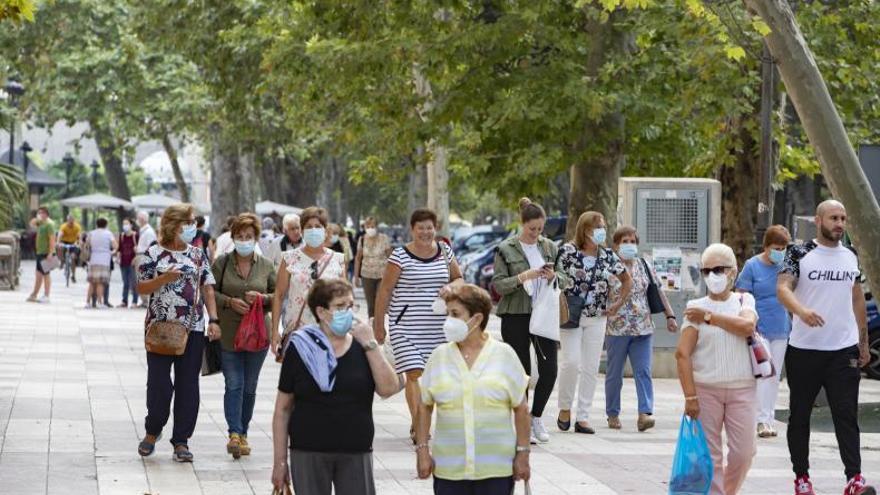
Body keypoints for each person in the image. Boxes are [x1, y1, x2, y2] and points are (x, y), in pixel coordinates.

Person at [777, 200, 875, 495]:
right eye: (834, 217)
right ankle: (802, 478)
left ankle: (854, 478)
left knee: (846, 414)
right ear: (819, 220)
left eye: (843, 218)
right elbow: (782, 288)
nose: (840, 223)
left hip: (842, 350)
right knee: (800, 414)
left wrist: (863, 341)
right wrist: (802, 311)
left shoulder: (850, 255)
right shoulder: (799, 252)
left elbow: (856, 298)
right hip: (804, 350)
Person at [271, 278, 400, 494]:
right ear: (321, 312)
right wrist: (280, 462)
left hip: (355, 449)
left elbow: (388, 388)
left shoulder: (362, 345)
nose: (348, 312)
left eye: (351, 306)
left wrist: (371, 344)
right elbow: (282, 409)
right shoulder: (300, 348)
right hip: (308, 449)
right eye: (340, 307)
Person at [416, 284, 530, 493]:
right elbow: (424, 406)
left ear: (477, 319)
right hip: (449, 469)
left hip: (496, 469)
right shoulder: (439, 356)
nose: (448, 320)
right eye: (448, 313)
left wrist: (523, 454)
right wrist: (422, 450)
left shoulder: (504, 355)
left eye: (455, 314)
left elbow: (521, 409)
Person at [136, 203, 220, 462]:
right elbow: (141, 288)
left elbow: (207, 288)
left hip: (192, 329)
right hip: (159, 328)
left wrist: (213, 320)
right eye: (188, 222)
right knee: (159, 384)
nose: (193, 227)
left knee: (188, 385)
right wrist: (163, 279)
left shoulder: (197, 255)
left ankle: (181, 441)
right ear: (174, 224)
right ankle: (153, 431)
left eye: (193, 222)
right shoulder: (153, 253)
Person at [374, 208, 464, 444]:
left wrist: (451, 288)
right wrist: (378, 324)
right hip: (405, 325)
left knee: (435, 377)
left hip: (438, 325)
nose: (425, 232)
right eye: (420, 227)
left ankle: (422, 420)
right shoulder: (399, 256)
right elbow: (384, 290)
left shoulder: (445, 251)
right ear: (412, 230)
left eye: (429, 227)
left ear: (435, 229)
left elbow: (459, 277)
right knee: (414, 373)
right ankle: (420, 425)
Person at [675, 243, 758, 495]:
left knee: (744, 453)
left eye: (719, 269)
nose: (713, 275)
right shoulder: (695, 306)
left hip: (742, 389)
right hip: (705, 389)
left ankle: (728, 491)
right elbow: (682, 354)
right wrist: (690, 396)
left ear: (733, 271)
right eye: (706, 270)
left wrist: (709, 317)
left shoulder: (744, 300)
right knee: (710, 456)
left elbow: (746, 327)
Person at [492, 198, 563, 444]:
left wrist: (554, 276)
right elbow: (499, 285)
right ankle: (521, 422)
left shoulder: (551, 247)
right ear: (522, 224)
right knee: (521, 372)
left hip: (544, 313)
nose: (535, 234)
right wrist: (524, 276)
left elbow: (566, 279)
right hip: (516, 315)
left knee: (550, 369)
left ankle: (537, 417)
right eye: (531, 229)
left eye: (540, 229)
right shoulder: (505, 248)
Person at [555, 211, 631, 434]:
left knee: (590, 367)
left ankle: (583, 416)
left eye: (604, 227)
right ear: (586, 229)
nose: (602, 231)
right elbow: (555, 278)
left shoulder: (607, 255)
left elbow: (626, 280)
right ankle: (564, 407)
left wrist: (617, 304)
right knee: (571, 362)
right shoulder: (568, 252)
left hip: (597, 316)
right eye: (598, 227)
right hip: (571, 315)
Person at [212, 213, 277, 459]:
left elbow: (277, 295)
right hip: (229, 334)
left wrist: (262, 300)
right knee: (234, 384)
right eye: (239, 236)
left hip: (258, 336)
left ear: (256, 238)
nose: (244, 241)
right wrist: (228, 302)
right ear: (233, 237)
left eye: (249, 237)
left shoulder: (266, 265)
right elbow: (209, 292)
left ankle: (244, 432)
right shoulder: (221, 263)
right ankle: (234, 433)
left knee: (249, 387)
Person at [605, 226, 678, 432]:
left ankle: (644, 413)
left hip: (643, 328)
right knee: (614, 373)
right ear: (616, 245)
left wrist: (670, 315)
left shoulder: (644, 264)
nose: (629, 245)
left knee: (643, 371)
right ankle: (612, 413)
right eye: (624, 241)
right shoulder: (610, 267)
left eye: (632, 241)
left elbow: (658, 291)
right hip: (617, 328)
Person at [735, 224, 791, 439]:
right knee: (763, 373)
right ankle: (760, 420)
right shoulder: (752, 266)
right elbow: (741, 295)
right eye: (777, 247)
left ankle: (768, 419)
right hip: (759, 328)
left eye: (784, 247)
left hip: (781, 327)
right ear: (767, 246)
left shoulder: (786, 265)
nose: (780, 251)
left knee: (774, 377)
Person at [271, 207, 346, 358]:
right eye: (309, 227)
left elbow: (344, 298)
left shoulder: (337, 259)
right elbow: (278, 295)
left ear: (325, 230)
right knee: (299, 380)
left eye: (318, 226)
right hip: (298, 333)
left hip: (329, 332)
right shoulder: (289, 258)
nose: (313, 230)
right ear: (302, 230)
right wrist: (274, 332)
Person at [353, 216, 392, 319]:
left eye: (373, 226)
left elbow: (391, 257)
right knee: (370, 304)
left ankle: (382, 322)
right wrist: (356, 277)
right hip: (366, 275)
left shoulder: (384, 238)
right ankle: (371, 324)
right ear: (365, 227)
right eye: (368, 226)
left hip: (382, 275)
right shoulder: (362, 239)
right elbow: (358, 258)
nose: (370, 228)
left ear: (377, 226)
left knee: (380, 300)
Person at [85, 217, 117, 309]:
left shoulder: (91, 233)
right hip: (104, 260)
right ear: (106, 225)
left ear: (96, 224)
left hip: (93, 259)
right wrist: (112, 252)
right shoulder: (108, 234)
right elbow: (115, 246)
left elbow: (86, 245)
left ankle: (88, 302)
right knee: (100, 283)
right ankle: (100, 302)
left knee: (92, 282)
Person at [27, 206, 57, 303]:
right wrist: (37, 218)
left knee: (46, 274)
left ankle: (46, 295)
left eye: (42, 213)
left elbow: (52, 239)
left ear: (47, 214)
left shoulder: (49, 224)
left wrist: (51, 253)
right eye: (39, 213)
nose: (40, 214)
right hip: (40, 252)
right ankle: (34, 294)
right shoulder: (41, 223)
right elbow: (31, 223)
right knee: (38, 274)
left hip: (46, 253)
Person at [135, 211, 158, 308]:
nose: (137, 220)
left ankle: (146, 301)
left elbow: (151, 246)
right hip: (140, 254)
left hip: (143, 256)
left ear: (142, 219)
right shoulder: (143, 230)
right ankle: (144, 300)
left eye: (138, 218)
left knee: (142, 278)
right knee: (139, 278)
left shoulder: (149, 231)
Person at [117, 217, 139, 308]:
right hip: (123, 262)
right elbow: (119, 249)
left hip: (132, 262)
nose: (125, 226)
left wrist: (136, 257)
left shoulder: (135, 235)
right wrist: (118, 256)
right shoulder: (121, 236)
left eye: (126, 224)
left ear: (131, 225)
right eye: (123, 224)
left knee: (134, 282)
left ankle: (134, 301)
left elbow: (139, 248)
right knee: (125, 283)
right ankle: (124, 301)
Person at [57, 214, 82, 283]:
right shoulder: (64, 226)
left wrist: (80, 243)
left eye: (72, 221)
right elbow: (60, 234)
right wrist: (58, 242)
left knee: (73, 258)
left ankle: (73, 275)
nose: (71, 223)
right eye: (69, 221)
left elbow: (79, 236)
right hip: (64, 242)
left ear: (74, 221)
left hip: (73, 243)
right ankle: (62, 261)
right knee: (59, 248)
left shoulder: (77, 227)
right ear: (67, 220)